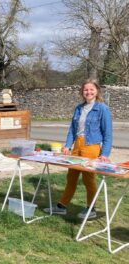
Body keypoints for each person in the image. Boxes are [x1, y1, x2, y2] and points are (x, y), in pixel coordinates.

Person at [44, 79, 113, 220]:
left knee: (89, 179)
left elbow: (108, 134)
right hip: (77, 147)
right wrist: (67, 145)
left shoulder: (102, 108)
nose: (88, 92)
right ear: (82, 92)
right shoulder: (79, 108)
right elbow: (72, 130)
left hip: (92, 147)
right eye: (85, 90)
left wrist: (105, 153)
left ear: (97, 91)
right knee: (71, 177)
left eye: (91, 89)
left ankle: (91, 208)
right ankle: (61, 207)